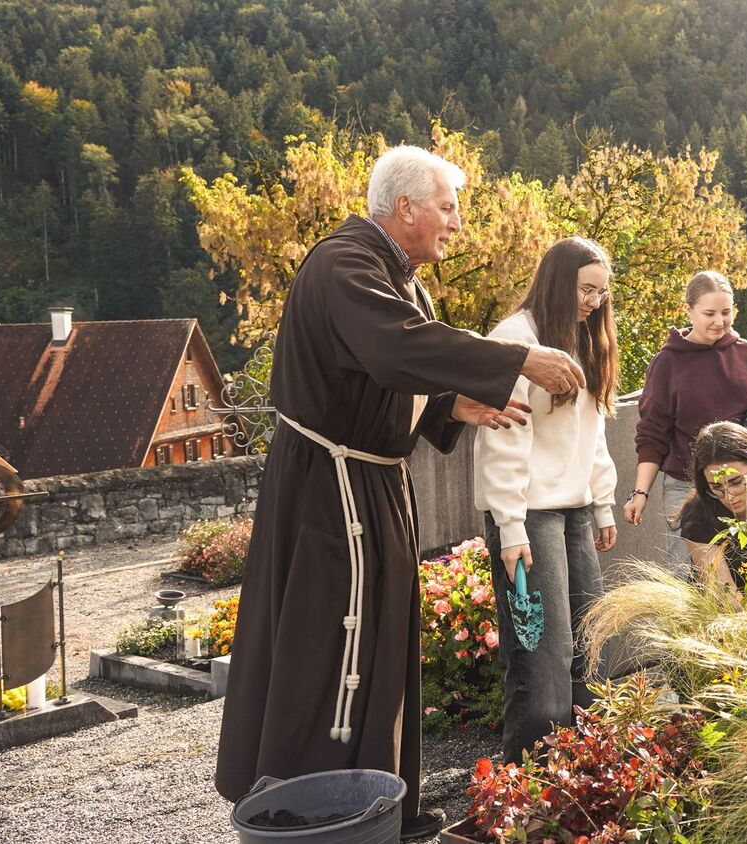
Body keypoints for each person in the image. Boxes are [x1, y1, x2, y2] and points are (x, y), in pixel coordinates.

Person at [216, 146, 587, 841]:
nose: (457, 223)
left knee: (379, 648)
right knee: (331, 647)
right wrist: (514, 360)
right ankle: (317, 814)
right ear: (406, 207)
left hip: (371, 484)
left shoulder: (398, 275)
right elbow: (393, 348)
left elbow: (385, 374)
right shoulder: (345, 262)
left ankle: (387, 808)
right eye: (448, 207)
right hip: (334, 494)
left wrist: (451, 407)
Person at [474, 236, 620, 762]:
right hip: (528, 516)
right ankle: (526, 791)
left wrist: (602, 503)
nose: (594, 302)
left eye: (602, 293)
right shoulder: (516, 340)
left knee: (588, 646)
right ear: (558, 282)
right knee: (541, 657)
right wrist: (509, 527)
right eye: (586, 290)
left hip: (577, 512)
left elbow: (593, 431)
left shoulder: (585, 338)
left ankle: (582, 781)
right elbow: (502, 438)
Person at [626, 272, 747, 574]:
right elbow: (652, 435)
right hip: (687, 485)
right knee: (687, 575)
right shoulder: (668, 363)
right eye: (709, 313)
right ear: (688, 311)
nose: (719, 322)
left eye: (726, 312)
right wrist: (640, 493)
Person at [677, 421, 747, 592]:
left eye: (736, 482)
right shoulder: (699, 513)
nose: (729, 496)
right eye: (716, 487)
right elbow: (724, 592)